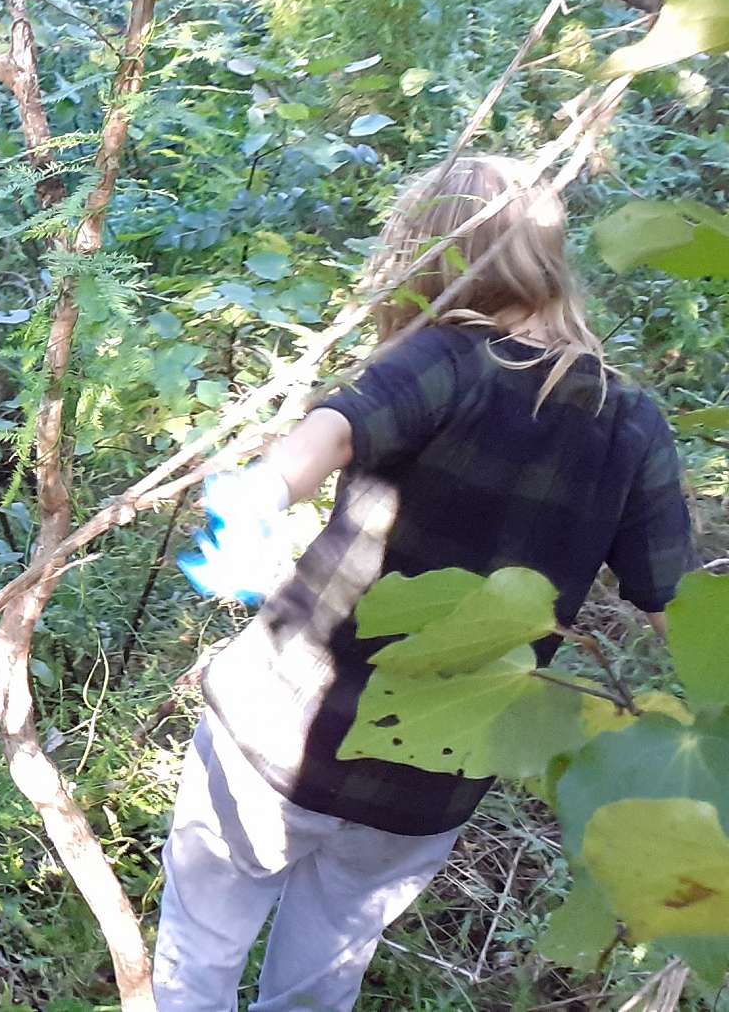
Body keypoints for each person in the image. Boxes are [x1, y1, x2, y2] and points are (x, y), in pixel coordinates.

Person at [151, 155, 694, 1011]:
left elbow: (331, 433)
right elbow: (678, 608)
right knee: (318, 990)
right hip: (425, 782)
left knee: (198, 959)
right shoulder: (632, 422)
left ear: (435, 254)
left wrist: (257, 497)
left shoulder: (449, 359)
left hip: (277, 730)